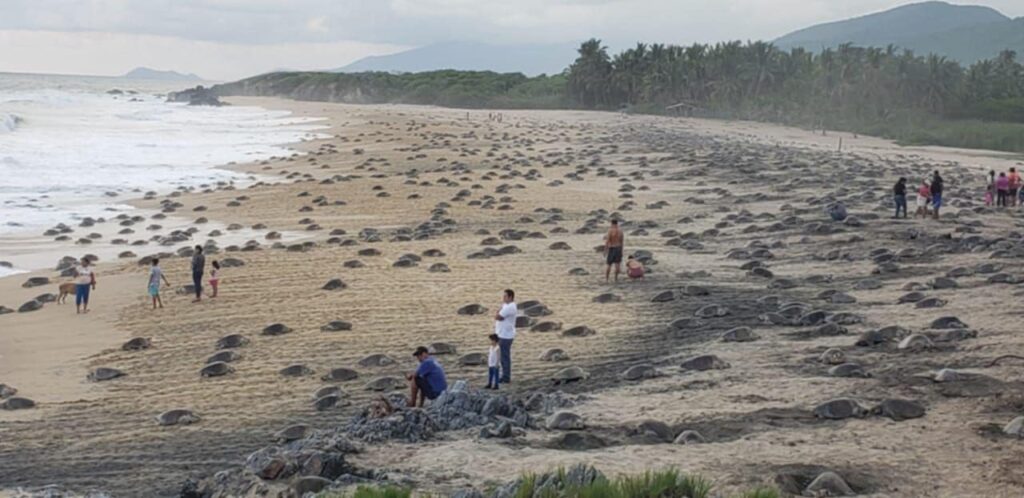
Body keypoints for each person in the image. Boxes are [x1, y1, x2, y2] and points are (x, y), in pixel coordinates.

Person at [493, 289, 517, 384]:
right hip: (501, 334)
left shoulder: (510, 307)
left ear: (510, 297)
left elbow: (498, 316)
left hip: (505, 336)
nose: (503, 298)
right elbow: (498, 313)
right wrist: (498, 313)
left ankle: (506, 377)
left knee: (504, 357)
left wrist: (498, 314)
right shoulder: (506, 306)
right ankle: (504, 375)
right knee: (502, 357)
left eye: (505, 296)